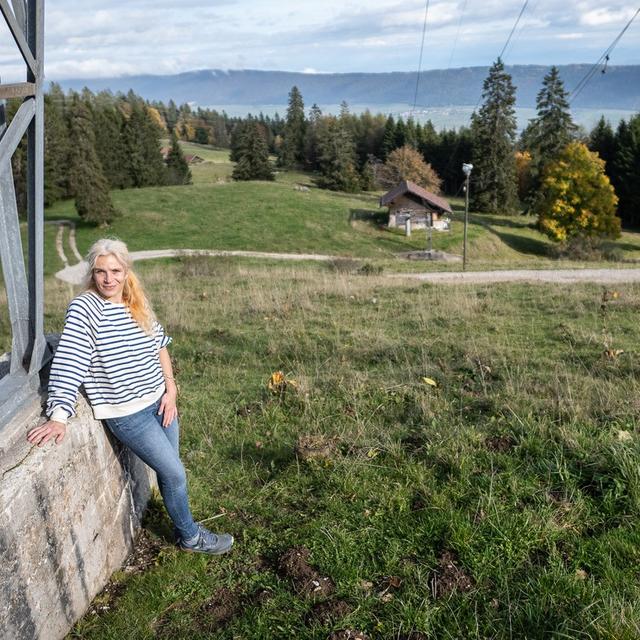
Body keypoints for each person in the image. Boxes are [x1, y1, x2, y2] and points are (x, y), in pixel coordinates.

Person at [27, 238, 233, 556]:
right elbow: (69, 361)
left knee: (170, 470)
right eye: (100, 272)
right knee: (175, 473)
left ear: (126, 271)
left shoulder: (135, 300)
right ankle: (191, 537)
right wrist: (58, 416)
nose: (108, 279)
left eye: (115, 270)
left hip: (160, 401)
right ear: (92, 274)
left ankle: (182, 528)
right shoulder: (85, 308)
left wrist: (171, 391)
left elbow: (160, 344)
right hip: (129, 414)